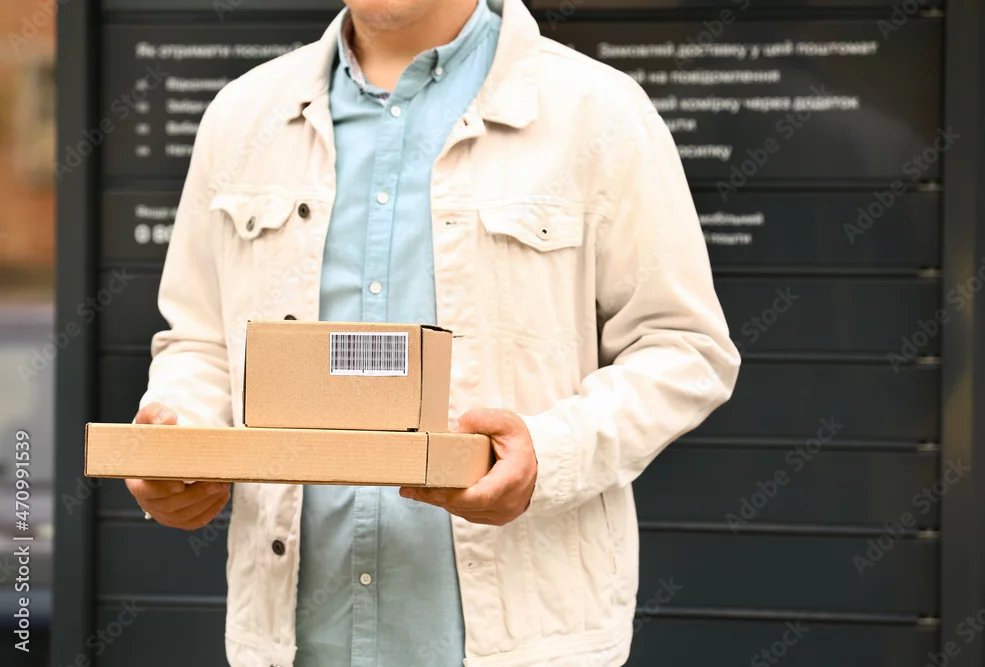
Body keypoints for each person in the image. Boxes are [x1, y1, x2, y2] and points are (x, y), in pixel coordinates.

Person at [124, 0, 740, 665]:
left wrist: (549, 455)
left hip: (521, 644)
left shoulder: (599, 113)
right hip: (295, 643)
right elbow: (201, 341)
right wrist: (180, 444)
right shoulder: (241, 117)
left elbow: (684, 348)